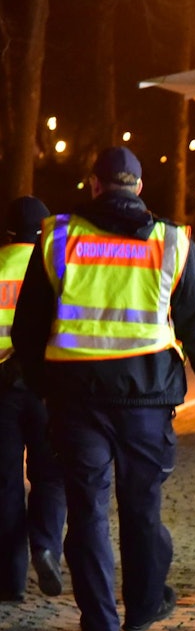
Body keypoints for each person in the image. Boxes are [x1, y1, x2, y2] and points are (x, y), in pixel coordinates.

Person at [11, 146, 195, 631]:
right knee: (142, 505)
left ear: (94, 184)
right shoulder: (172, 241)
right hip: (147, 399)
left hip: (76, 399)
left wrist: (45, 386)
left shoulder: (57, 238)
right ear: (139, 186)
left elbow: (28, 328)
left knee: (87, 512)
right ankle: (143, 606)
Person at [0, 196, 66, 603]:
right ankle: (46, 547)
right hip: (45, 385)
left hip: (1, 389)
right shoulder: (55, 268)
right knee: (50, 475)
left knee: (5, 482)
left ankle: (9, 580)